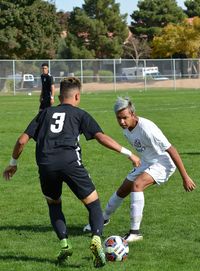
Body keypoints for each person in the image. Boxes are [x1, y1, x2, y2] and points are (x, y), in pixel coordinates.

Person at [3, 78, 141, 268]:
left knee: (54, 204)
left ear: (59, 97)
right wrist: (129, 153)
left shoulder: (44, 113)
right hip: (70, 163)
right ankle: (96, 238)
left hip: (46, 165)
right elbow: (101, 137)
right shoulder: (80, 114)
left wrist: (13, 163)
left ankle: (65, 243)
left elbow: (21, 141)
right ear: (77, 96)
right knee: (93, 204)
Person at [83, 97, 196, 242]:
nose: (122, 122)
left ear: (133, 114)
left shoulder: (147, 128)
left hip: (163, 163)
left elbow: (171, 150)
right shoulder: (127, 129)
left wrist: (185, 177)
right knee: (122, 190)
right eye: (119, 118)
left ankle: (135, 232)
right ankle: (103, 220)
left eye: (125, 117)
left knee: (137, 185)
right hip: (147, 162)